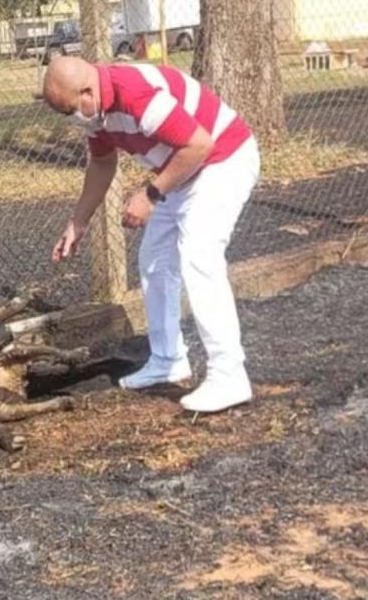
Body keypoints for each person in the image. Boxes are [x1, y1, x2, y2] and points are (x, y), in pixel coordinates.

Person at [43, 55, 260, 413]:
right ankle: (168, 359)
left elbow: (199, 145)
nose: (72, 120)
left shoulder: (135, 93)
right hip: (184, 169)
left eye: (70, 111)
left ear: (86, 90)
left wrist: (150, 194)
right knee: (155, 261)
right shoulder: (96, 111)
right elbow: (102, 162)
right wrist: (78, 222)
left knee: (199, 254)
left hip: (223, 158)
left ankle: (229, 374)